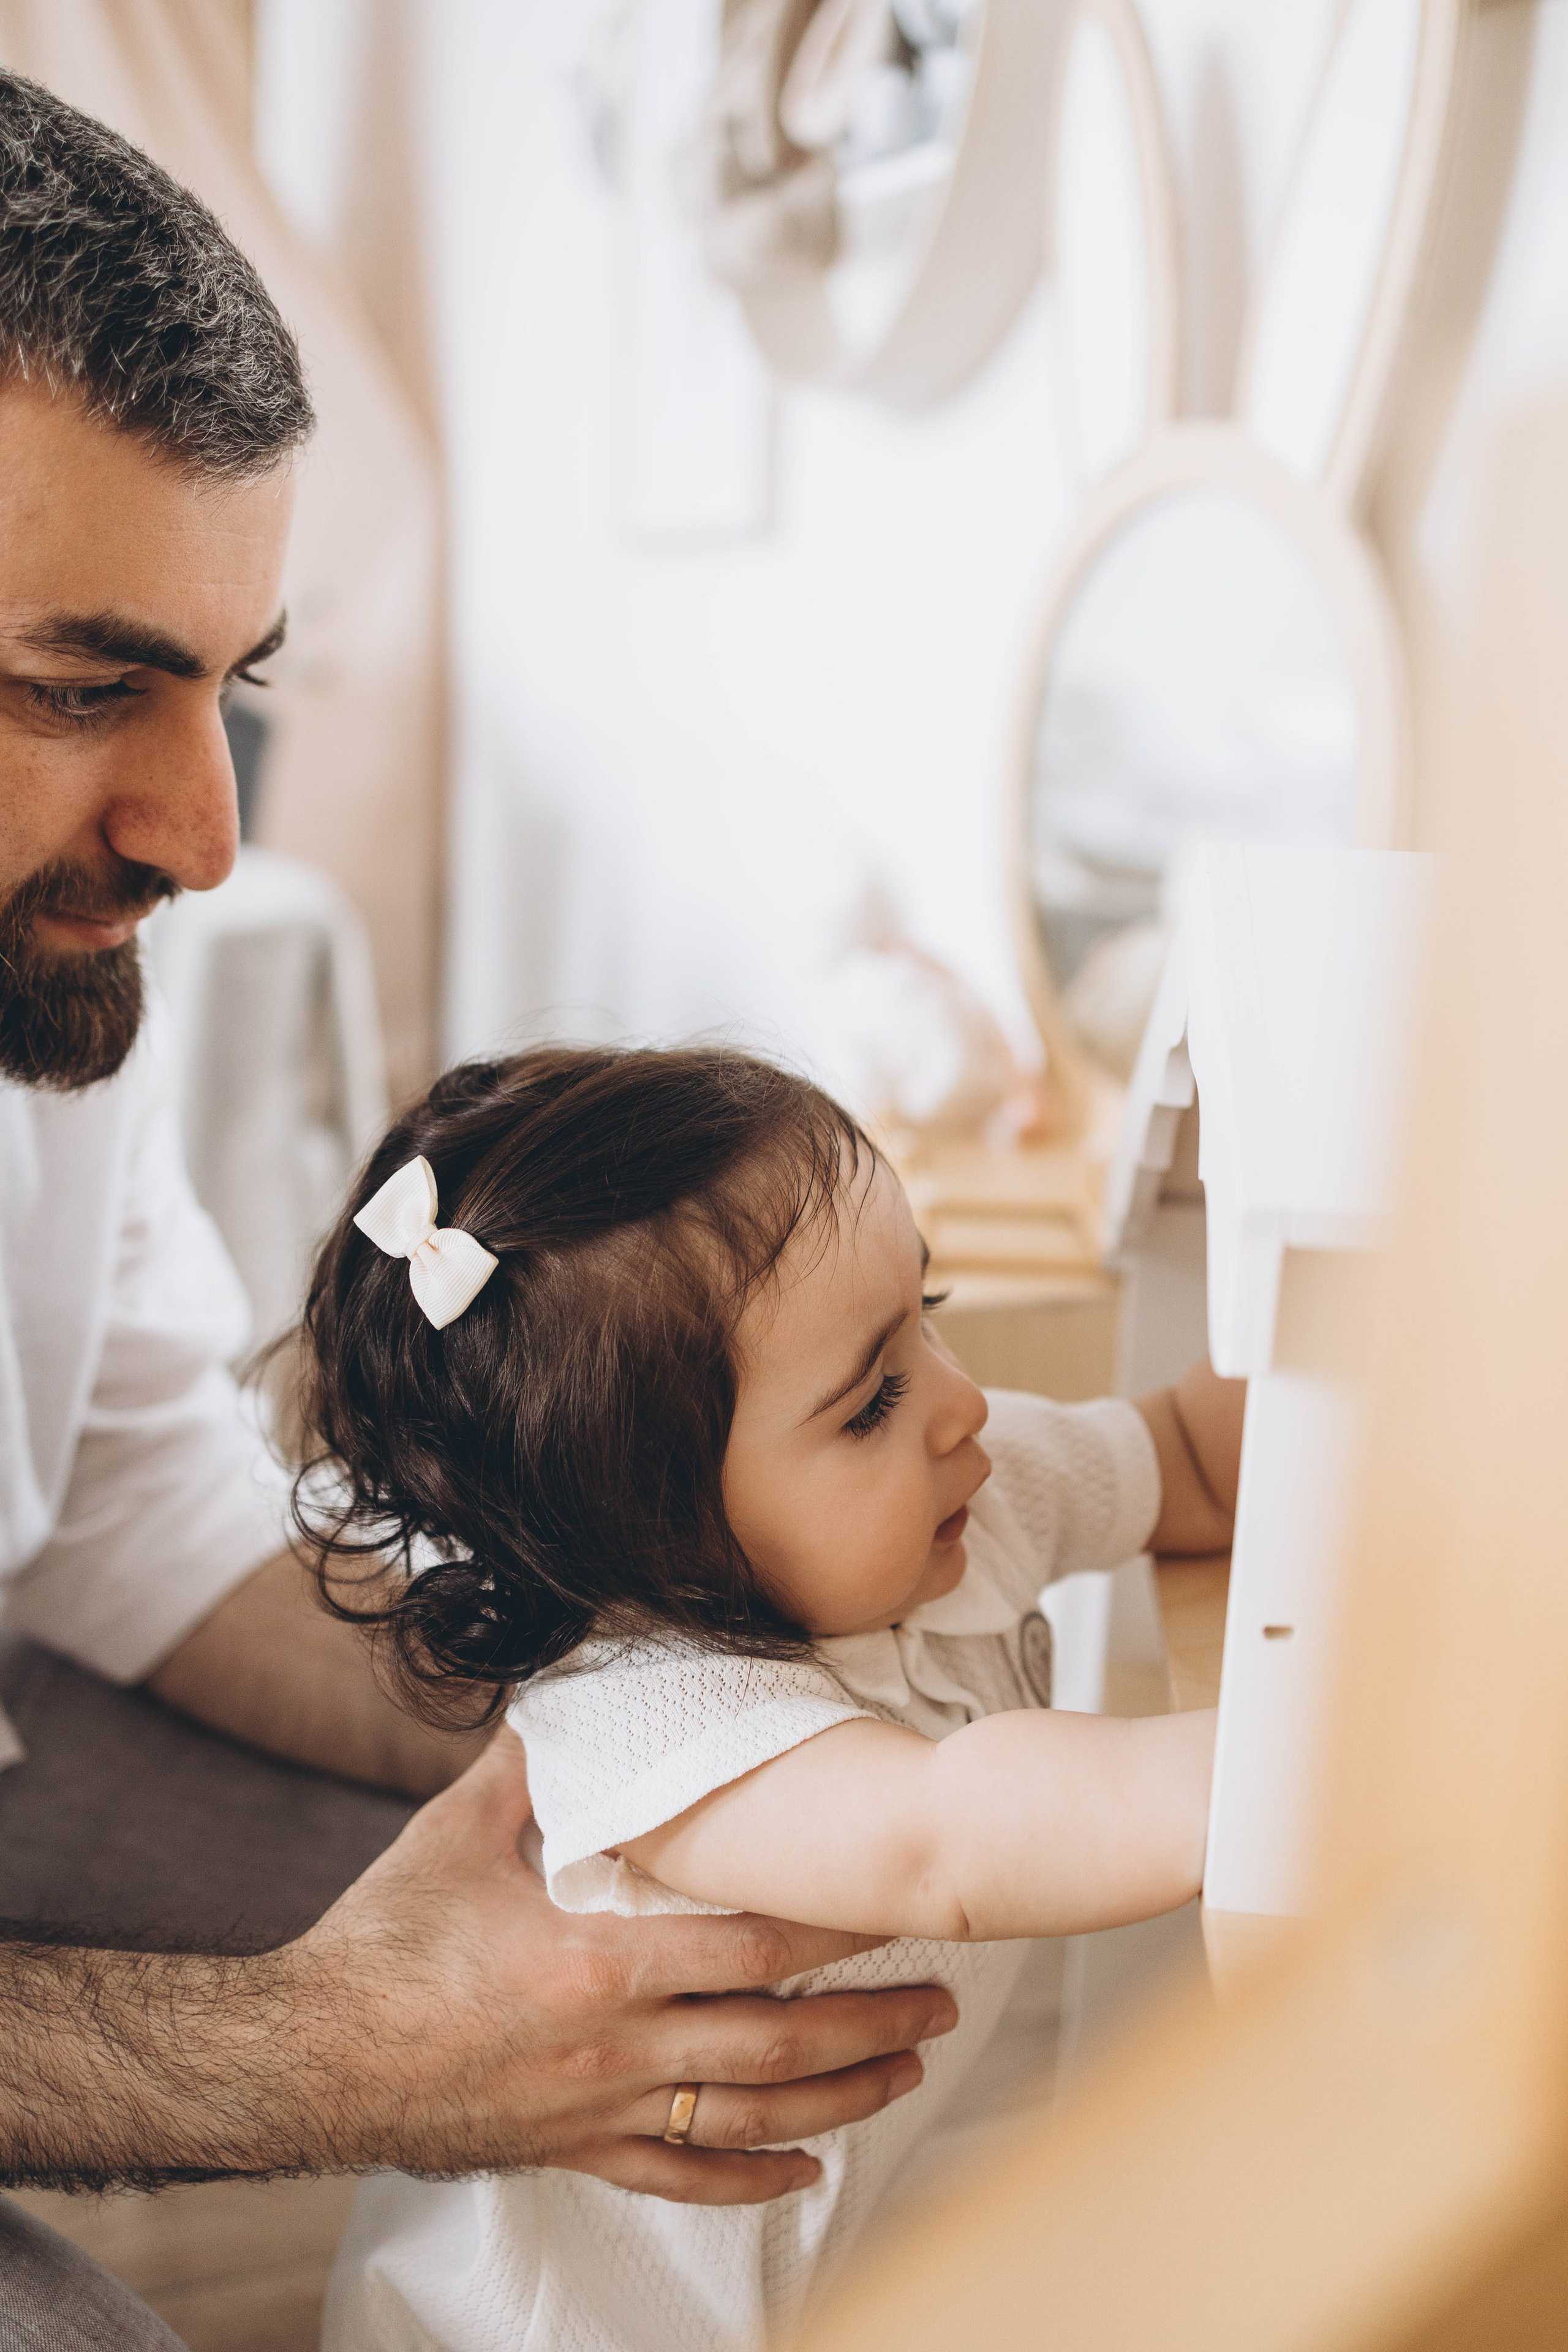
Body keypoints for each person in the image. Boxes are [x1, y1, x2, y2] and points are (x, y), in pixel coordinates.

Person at [0, 69, 953, 2345]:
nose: (206, 837)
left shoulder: (48, 962)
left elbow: (132, 1499)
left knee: (657, 1917)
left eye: (231, 685)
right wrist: (334, 2056)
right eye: (79, 686)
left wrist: (684, 1685)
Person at [290, 1044, 1244, 2352]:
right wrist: (1314, 1750)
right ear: (657, 1544)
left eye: (927, 1306)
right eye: (873, 1399)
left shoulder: (944, 1495)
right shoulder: (652, 1722)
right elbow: (946, 1838)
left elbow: (1185, 1453)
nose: (963, 1401)